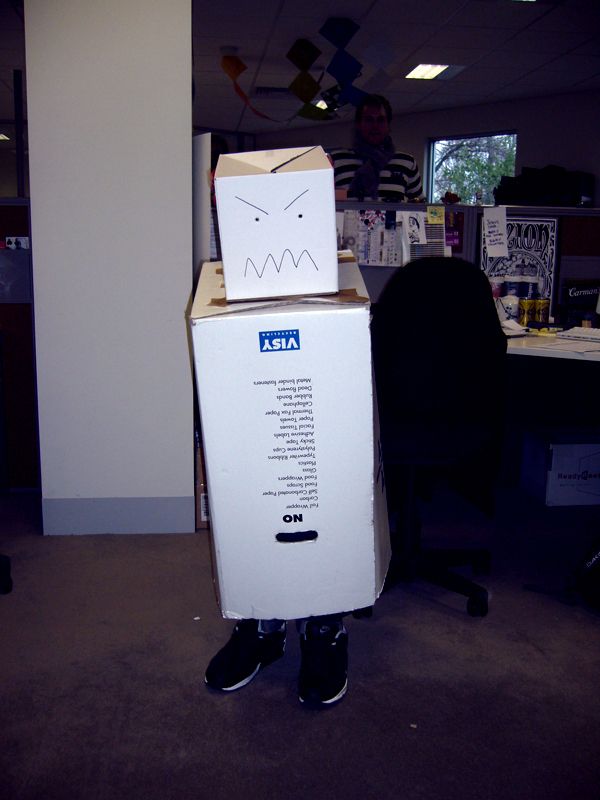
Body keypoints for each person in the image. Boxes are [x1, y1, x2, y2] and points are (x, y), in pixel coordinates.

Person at [329, 94, 425, 202]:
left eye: (381, 120)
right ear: (359, 124)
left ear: (388, 125)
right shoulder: (336, 160)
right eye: (369, 120)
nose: (375, 126)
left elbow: (420, 205)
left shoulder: (407, 163)